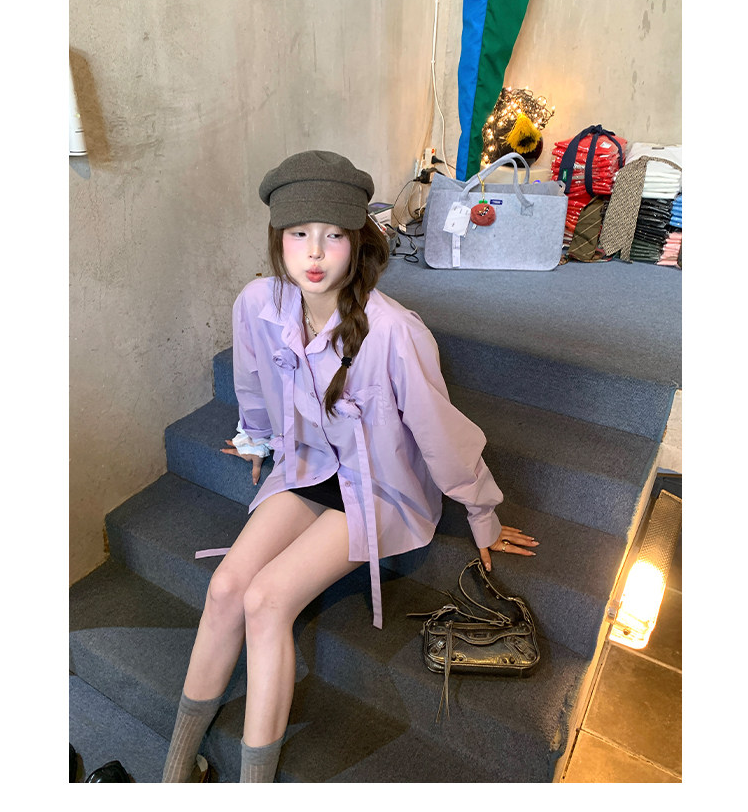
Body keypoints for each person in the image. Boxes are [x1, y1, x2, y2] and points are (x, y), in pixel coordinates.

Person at [161, 150, 538, 784]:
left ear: (357, 242)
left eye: (333, 235)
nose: (314, 253)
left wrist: (482, 513)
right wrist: (257, 440)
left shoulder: (394, 331)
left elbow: (439, 432)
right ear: (277, 239)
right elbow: (252, 381)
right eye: (298, 234)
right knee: (226, 588)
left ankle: (254, 786)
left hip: (376, 483)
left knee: (266, 601)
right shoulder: (258, 302)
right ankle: (177, 769)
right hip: (308, 464)